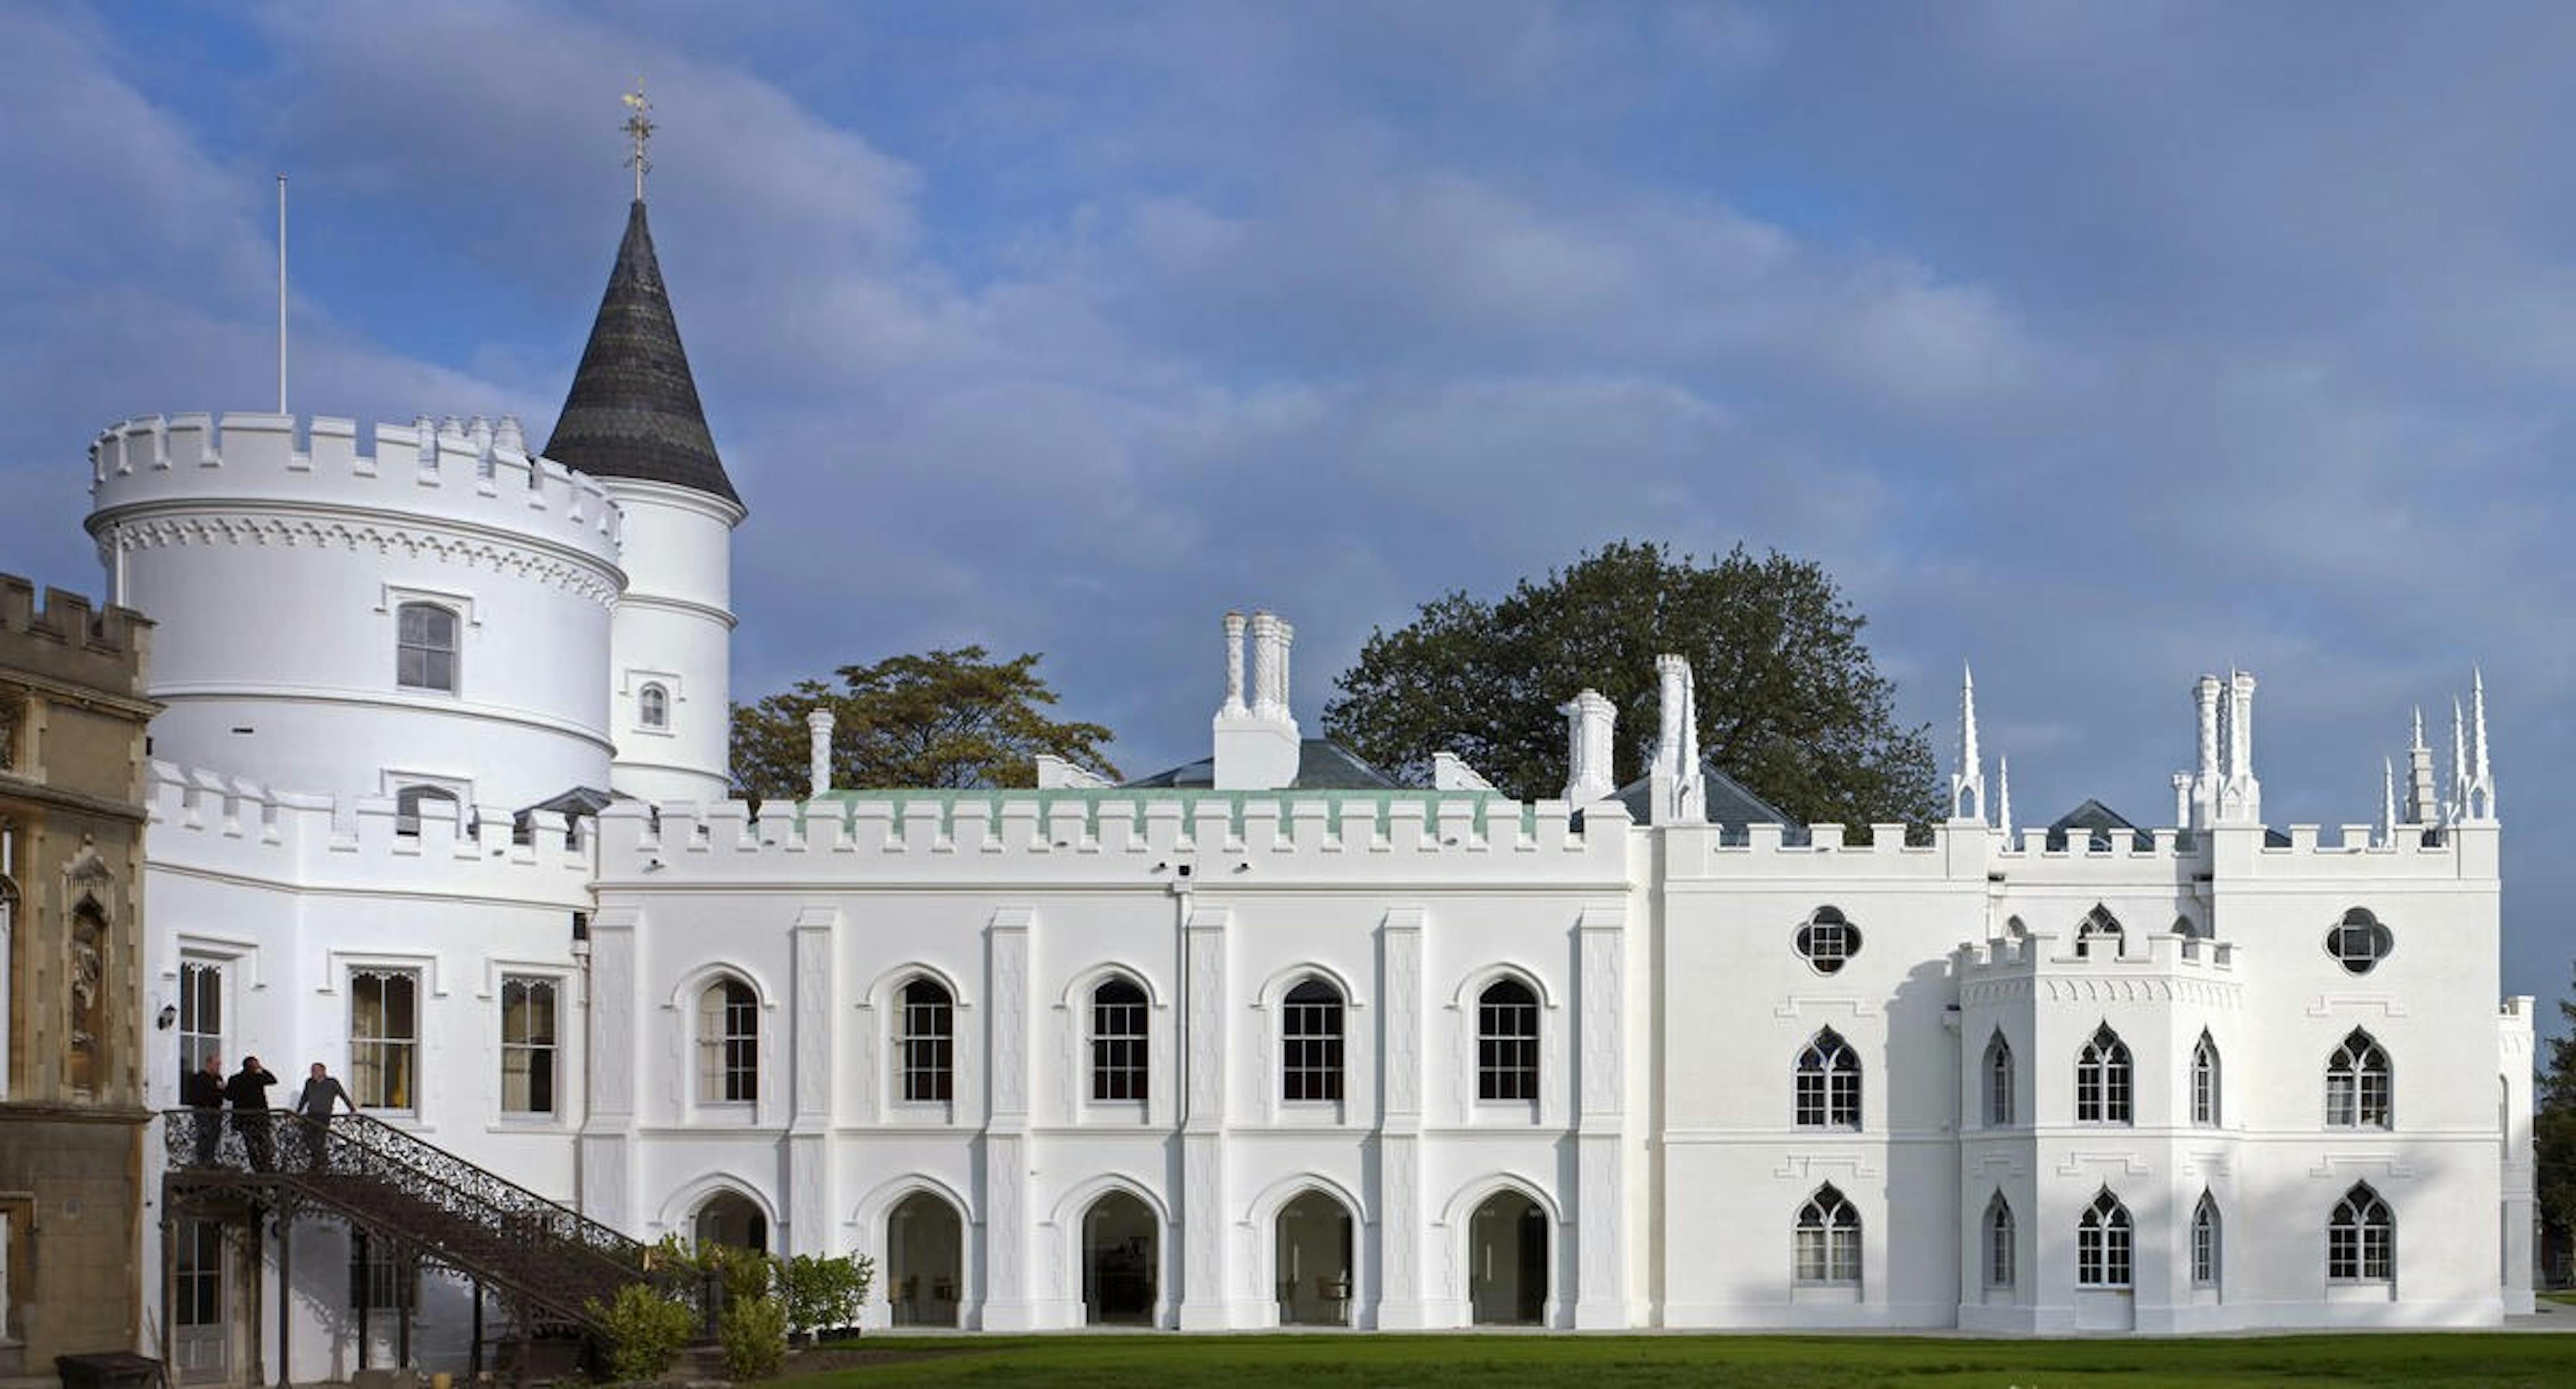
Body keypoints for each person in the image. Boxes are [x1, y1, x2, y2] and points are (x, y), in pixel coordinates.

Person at [293, 1061, 357, 1171]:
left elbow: (343, 1095)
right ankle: (320, 1160)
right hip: (311, 1114)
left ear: (323, 1071)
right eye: (312, 1071)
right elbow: (304, 1098)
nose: (313, 1073)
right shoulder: (309, 1083)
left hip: (324, 1115)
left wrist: (352, 1109)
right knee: (307, 1137)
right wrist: (298, 1112)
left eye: (316, 1070)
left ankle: (319, 1163)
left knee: (319, 1139)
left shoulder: (332, 1083)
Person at [224, 1055, 279, 1172]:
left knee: (251, 1146)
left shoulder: (234, 1079)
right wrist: (262, 1069)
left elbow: (228, 1096)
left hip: (244, 1118)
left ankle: (258, 1168)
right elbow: (273, 1080)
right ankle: (267, 1168)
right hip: (259, 1117)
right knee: (264, 1144)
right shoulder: (258, 1077)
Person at [180, 1053, 225, 1165]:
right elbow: (197, 1095)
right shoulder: (200, 1077)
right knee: (204, 1135)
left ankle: (211, 1159)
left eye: (219, 1065)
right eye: (217, 1064)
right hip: (203, 1110)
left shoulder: (218, 1078)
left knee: (214, 1135)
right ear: (209, 1064)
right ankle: (202, 1160)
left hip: (216, 1110)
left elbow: (222, 1094)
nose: (218, 1067)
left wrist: (222, 1090)